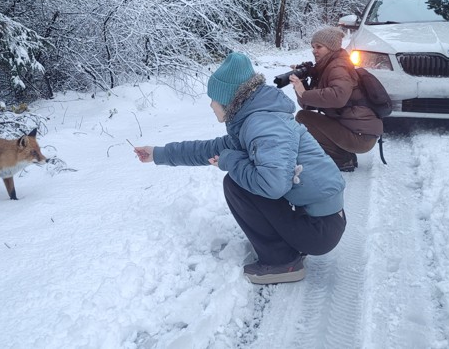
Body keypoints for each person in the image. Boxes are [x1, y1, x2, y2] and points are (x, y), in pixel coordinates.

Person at [133, 52, 346, 285]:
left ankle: (281, 261)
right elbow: (209, 149)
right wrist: (157, 153)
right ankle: (287, 247)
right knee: (243, 176)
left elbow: (273, 186)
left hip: (319, 229)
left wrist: (231, 162)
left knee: (236, 184)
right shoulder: (251, 120)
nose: (211, 104)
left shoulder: (263, 124)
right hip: (318, 220)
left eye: (213, 98)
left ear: (228, 99)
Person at [289, 26, 383, 172]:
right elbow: (308, 105)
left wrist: (305, 93)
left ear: (331, 48)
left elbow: (338, 97)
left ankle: (343, 159)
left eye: (319, 46)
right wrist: (300, 87)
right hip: (358, 133)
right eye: (313, 47)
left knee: (304, 118)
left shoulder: (338, 67)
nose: (314, 50)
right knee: (305, 116)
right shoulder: (328, 67)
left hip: (361, 137)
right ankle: (345, 155)